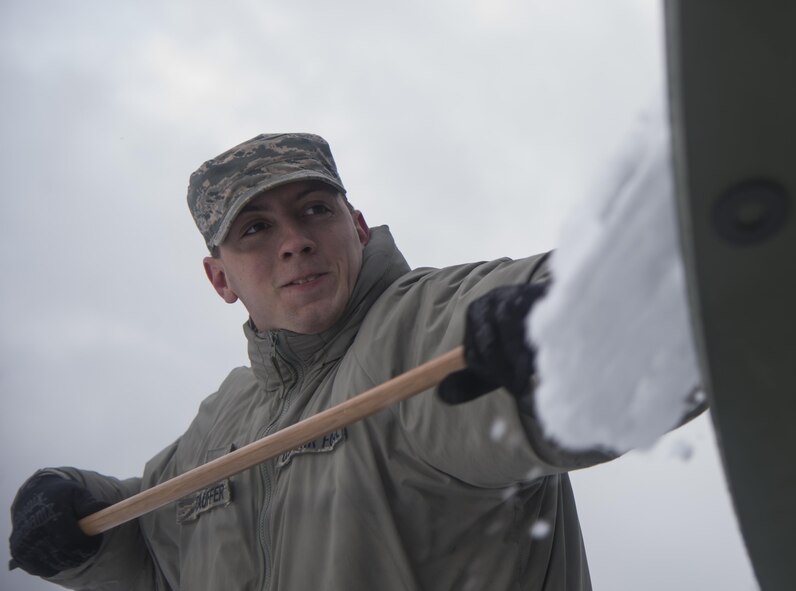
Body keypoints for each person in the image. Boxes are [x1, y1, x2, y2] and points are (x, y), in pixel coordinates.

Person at [8, 133, 679, 590]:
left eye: (314, 210)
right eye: (256, 228)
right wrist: (73, 520)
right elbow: (150, 552)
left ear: (356, 227)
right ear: (220, 279)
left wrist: (581, 317)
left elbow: (609, 306)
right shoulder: (219, 425)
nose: (295, 241)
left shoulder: (420, 331)